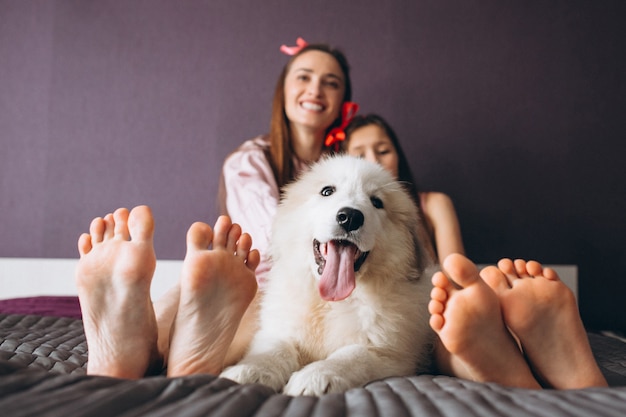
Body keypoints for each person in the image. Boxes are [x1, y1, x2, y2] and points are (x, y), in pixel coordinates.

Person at [218, 38, 356, 286]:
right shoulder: (247, 163)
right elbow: (274, 239)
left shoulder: (352, 166)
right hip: (266, 290)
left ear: (343, 105)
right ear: (283, 91)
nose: (315, 90)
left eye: (331, 83)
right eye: (304, 77)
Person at [343, 113, 464, 265]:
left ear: (398, 155)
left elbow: (457, 276)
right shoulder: (350, 216)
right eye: (359, 155)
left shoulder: (435, 203)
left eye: (383, 151)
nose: (373, 161)